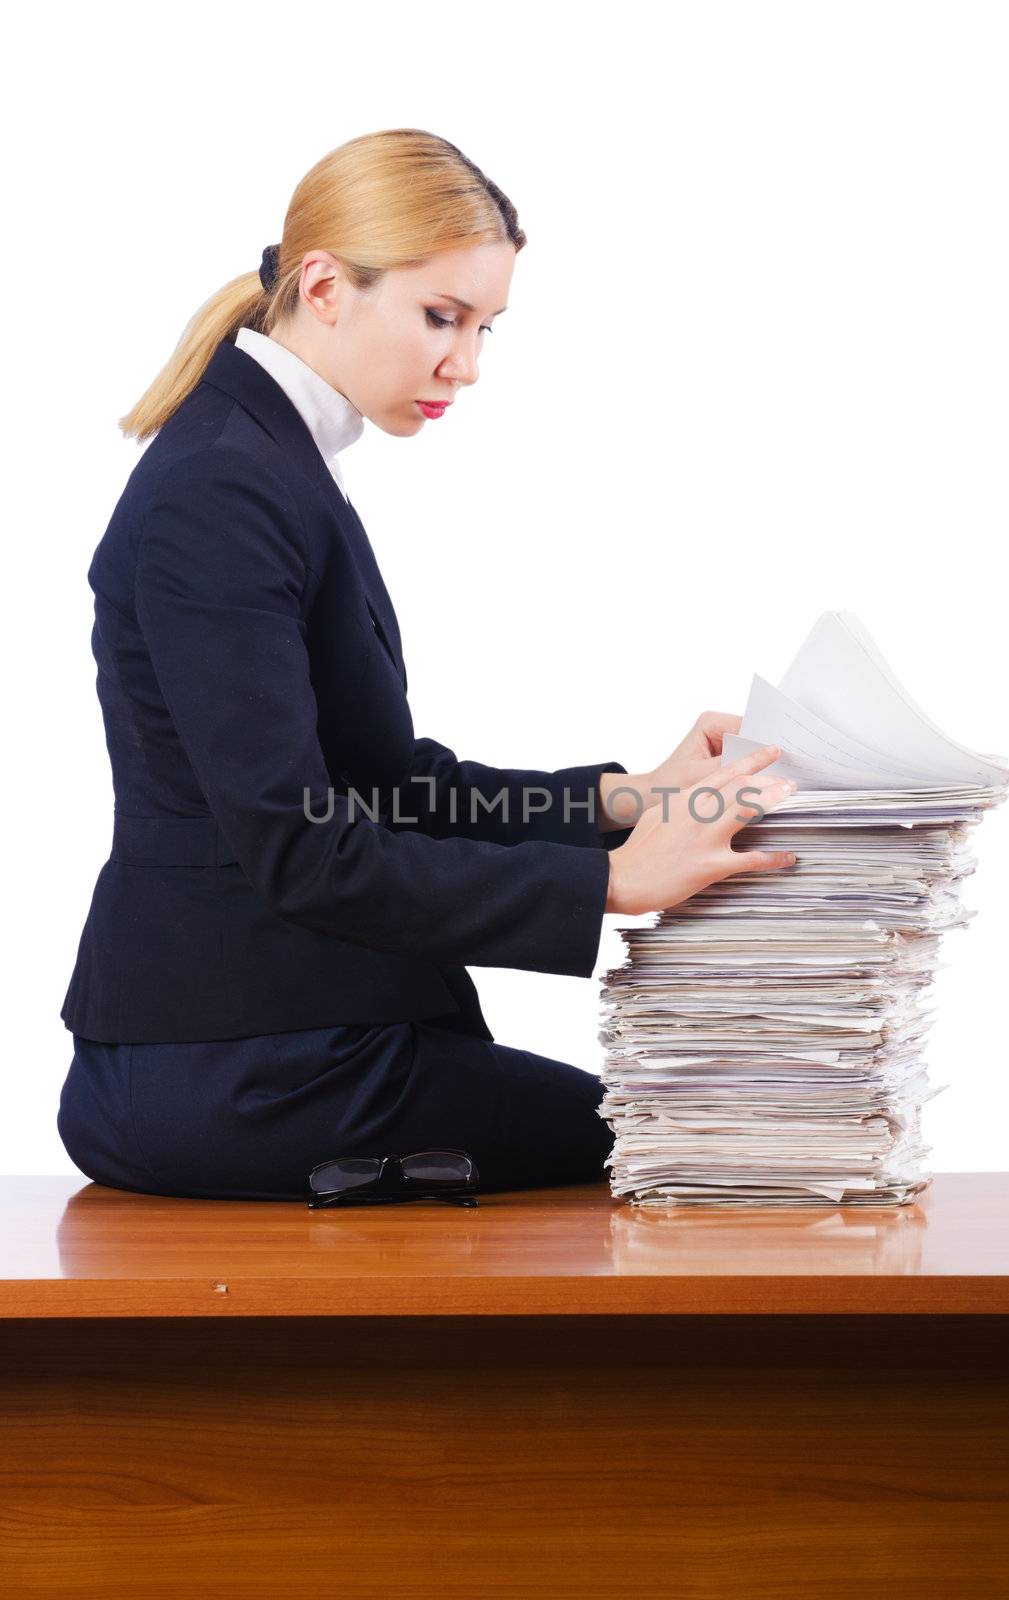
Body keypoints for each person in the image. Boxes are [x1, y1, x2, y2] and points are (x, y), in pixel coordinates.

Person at [56, 128, 797, 1202]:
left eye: (486, 326)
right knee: (666, 1143)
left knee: (668, 1134)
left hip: (277, 1043)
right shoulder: (223, 488)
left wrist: (625, 800)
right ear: (324, 285)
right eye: (441, 318)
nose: (467, 364)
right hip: (235, 1067)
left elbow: (383, 781)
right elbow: (300, 845)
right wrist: (608, 883)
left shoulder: (269, 461)